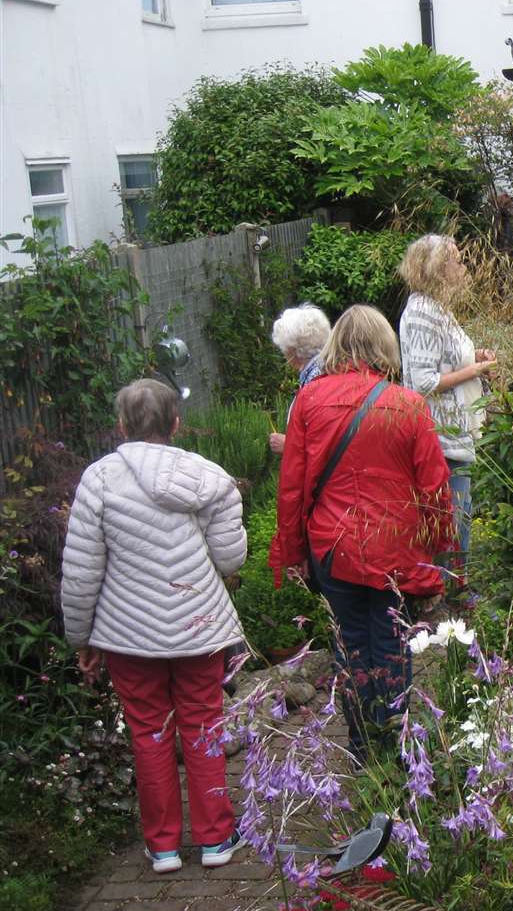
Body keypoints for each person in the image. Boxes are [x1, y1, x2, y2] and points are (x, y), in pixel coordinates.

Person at [61, 379, 247, 874]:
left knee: (148, 732)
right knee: (203, 725)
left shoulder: (98, 480)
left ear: (121, 426)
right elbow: (230, 559)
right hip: (199, 627)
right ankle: (215, 839)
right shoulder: (209, 477)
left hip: (127, 634)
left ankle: (163, 846)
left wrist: (81, 637)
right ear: (176, 424)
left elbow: (82, 571)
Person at [270, 305, 454, 757]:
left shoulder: (309, 402)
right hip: (395, 550)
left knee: (350, 647)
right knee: (391, 644)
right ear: (383, 345)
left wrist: (292, 553)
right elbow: (434, 490)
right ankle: (394, 745)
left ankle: (361, 748)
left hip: (334, 551)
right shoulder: (408, 404)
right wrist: (440, 556)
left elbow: (292, 487)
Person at [397, 235, 497, 561]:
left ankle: (457, 595)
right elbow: (422, 382)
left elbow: (447, 359)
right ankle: (452, 599)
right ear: (438, 268)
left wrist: (475, 357)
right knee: (450, 530)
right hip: (441, 441)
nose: (463, 266)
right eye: (456, 260)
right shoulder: (423, 312)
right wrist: (476, 370)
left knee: (459, 525)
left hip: (455, 439)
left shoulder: (439, 309)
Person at [268, 303, 331, 454]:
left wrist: (288, 445)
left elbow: (322, 442)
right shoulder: (329, 368)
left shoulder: (316, 382)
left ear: (292, 350)